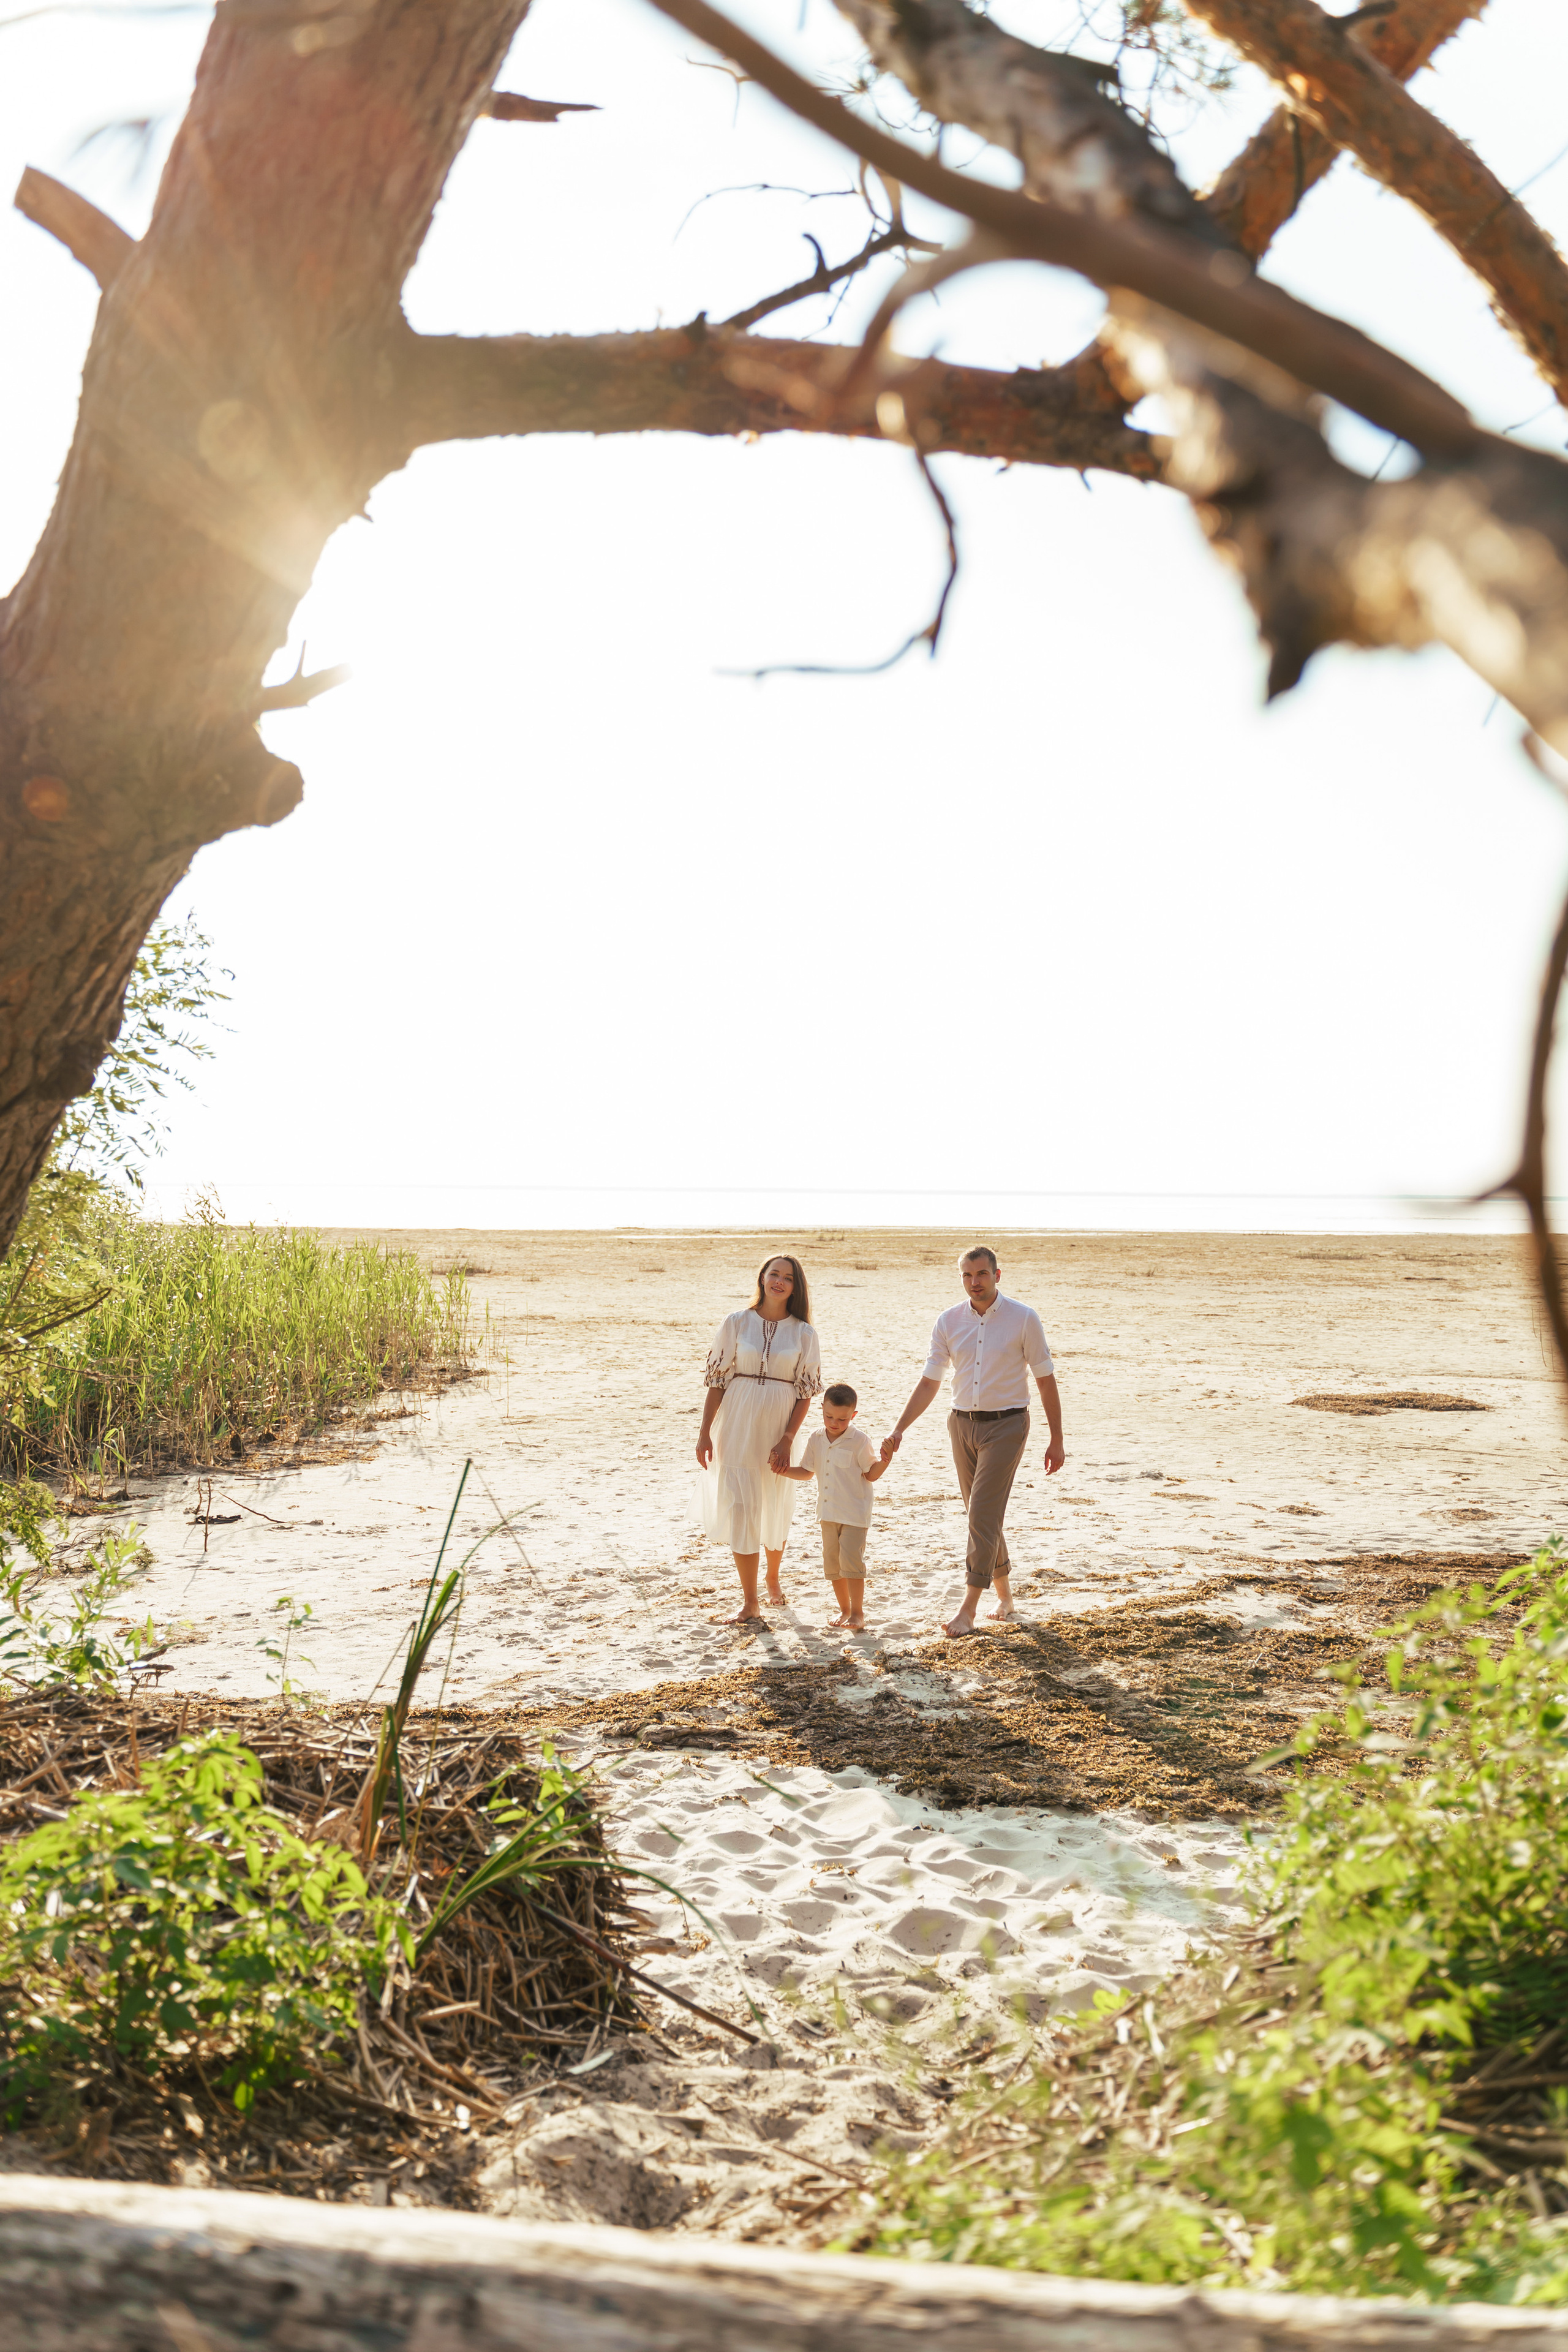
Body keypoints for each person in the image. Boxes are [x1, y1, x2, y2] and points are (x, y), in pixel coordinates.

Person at [881, 1246, 1064, 1638]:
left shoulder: (1024, 1318)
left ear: (998, 1275)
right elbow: (930, 1381)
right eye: (967, 1275)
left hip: (1008, 1425)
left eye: (981, 1274)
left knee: (981, 1514)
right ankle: (1006, 1599)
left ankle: (968, 1609)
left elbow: (1046, 1379)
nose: (974, 1282)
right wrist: (899, 1428)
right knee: (982, 1516)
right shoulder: (948, 1321)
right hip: (961, 1425)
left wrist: (1056, 1438)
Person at [695, 1253, 822, 1622]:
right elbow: (717, 1382)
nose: (779, 1282)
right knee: (741, 1506)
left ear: (795, 1287)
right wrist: (704, 1433)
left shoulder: (804, 1333)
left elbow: (806, 1392)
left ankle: (773, 1577)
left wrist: (787, 1438)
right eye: (774, 1275)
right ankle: (750, 1601)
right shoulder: (736, 1323)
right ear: (762, 1278)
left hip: (778, 1422)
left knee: (775, 1498)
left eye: (788, 1278)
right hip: (737, 1419)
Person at [773, 1381, 889, 1630]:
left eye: (842, 1419)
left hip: (854, 1514)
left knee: (852, 1562)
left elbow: (871, 1474)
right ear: (822, 1409)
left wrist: (885, 1461)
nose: (835, 1423)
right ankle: (844, 1610)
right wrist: (782, 1471)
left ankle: (858, 1613)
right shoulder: (816, 1438)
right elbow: (807, 1472)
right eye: (829, 1416)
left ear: (853, 1415)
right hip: (827, 1514)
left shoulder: (859, 1441)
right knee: (834, 1565)